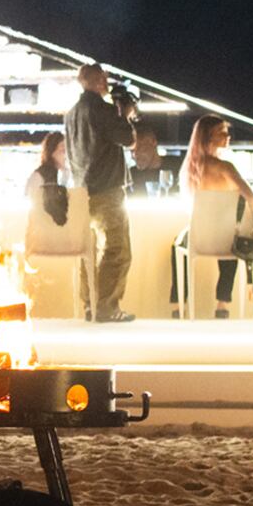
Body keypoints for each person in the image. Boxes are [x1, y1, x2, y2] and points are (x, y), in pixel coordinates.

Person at [65, 64, 139, 322]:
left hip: (81, 190)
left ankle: (90, 305)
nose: (107, 83)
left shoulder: (72, 114)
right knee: (117, 249)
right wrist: (125, 114)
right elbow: (129, 139)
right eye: (104, 79)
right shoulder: (102, 110)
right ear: (97, 80)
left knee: (89, 250)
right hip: (107, 189)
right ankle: (107, 306)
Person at [182, 116, 253, 319]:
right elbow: (251, 197)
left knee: (176, 246)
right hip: (224, 239)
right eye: (222, 132)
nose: (228, 136)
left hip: (199, 238)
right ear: (209, 136)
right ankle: (223, 304)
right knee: (233, 240)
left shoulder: (190, 168)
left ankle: (178, 306)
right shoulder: (225, 167)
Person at [27, 132, 69, 227]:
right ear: (52, 152)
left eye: (68, 150)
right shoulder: (39, 175)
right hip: (44, 226)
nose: (66, 155)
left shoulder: (67, 174)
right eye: (62, 150)